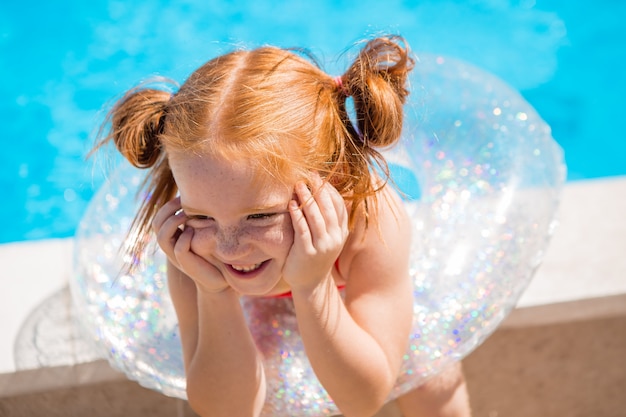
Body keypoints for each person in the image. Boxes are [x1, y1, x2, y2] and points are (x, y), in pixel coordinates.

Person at [95, 35, 471, 417]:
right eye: (202, 215)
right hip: (249, 318)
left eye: (261, 216)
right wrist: (215, 294)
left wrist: (312, 284)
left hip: (349, 302)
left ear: (333, 178)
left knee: (432, 372)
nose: (228, 249)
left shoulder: (373, 223)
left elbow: (363, 401)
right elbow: (226, 410)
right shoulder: (193, 247)